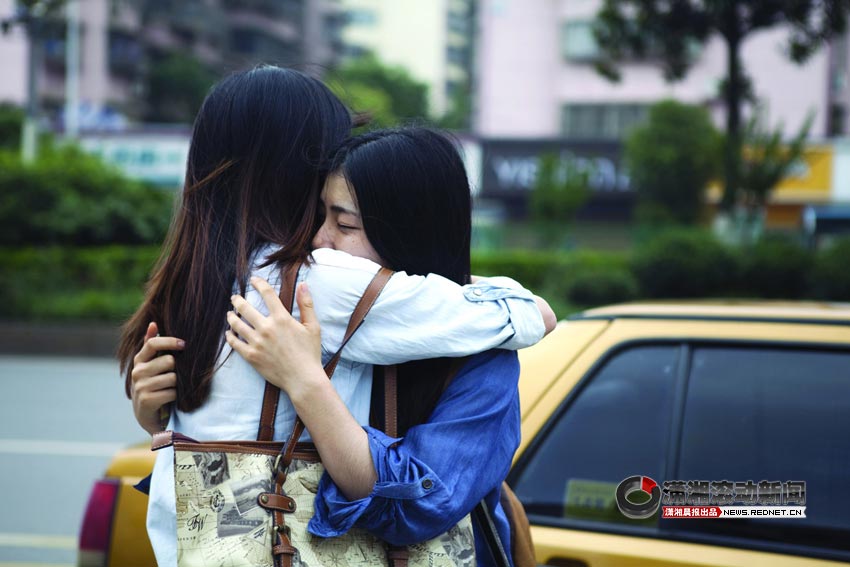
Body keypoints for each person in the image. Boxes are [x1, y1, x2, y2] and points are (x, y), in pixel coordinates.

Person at [121, 68, 555, 567]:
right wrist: (525, 303)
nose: (323, 238)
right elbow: (530, 317)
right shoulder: (313, 281)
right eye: (321, 204)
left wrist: (153, 414)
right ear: (292, 176)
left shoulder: (197, 278)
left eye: (343, 222)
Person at [224, 127, 535, 565]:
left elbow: (417, 505)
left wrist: (307, 382)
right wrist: (157, 415)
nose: (319, 240)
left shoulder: (483, 357)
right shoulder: (318, 325)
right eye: (321, 218)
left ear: (410, 234)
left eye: (344, 224)